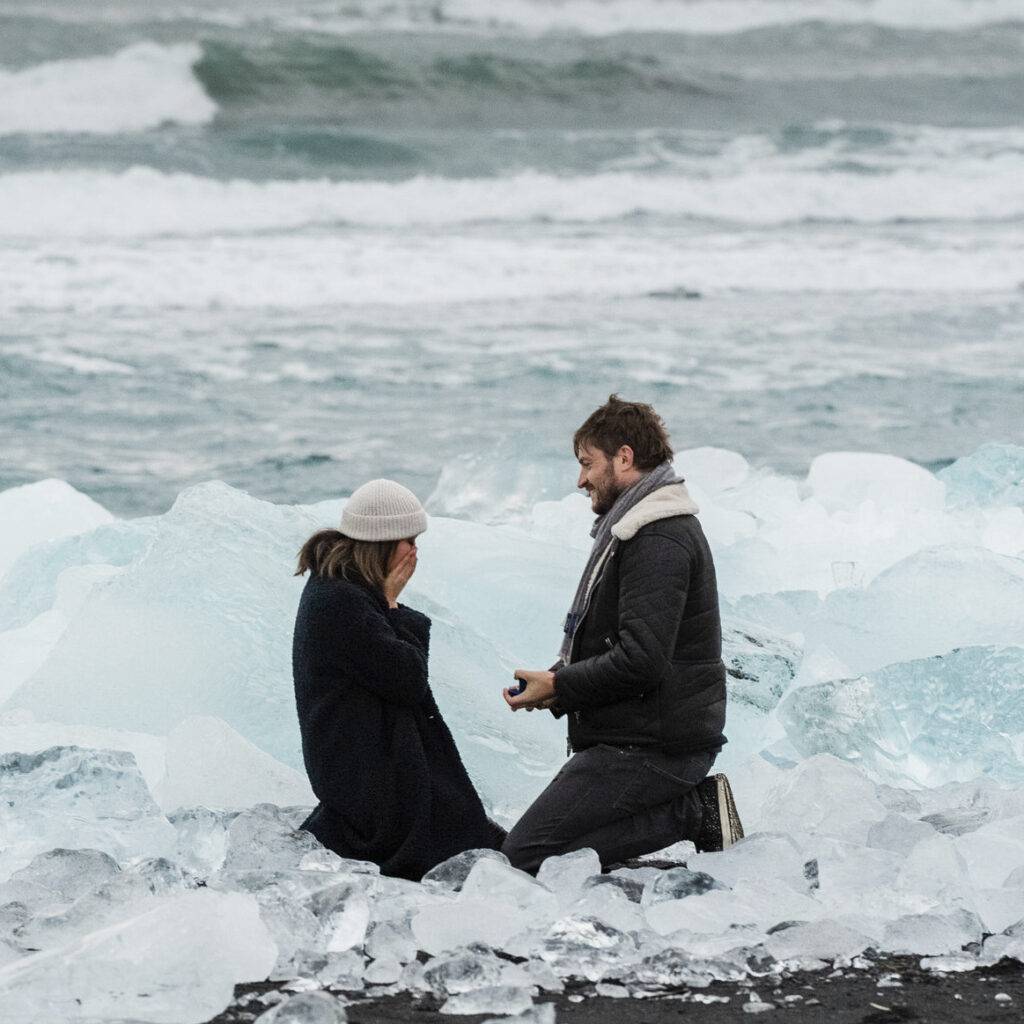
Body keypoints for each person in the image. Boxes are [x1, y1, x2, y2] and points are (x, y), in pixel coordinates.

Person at [500, 396, 744, 873]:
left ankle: (694, 811)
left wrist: (563, 686)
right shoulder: (636, 530)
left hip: (654, 747)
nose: (580, 480)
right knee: (547, 852)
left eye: (588, 463)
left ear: (625, 457)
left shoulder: (658, 538)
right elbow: (621, 645)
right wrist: (556, 683)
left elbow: (642, 660)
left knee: (525, 859)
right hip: (638, 734)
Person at [292, 478, 503, 881]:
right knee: (464, 844)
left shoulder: (339, 586)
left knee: (478, 833)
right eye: (408, 540)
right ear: (381, 542)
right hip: (362, 779)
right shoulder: (340, 601)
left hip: (356, 759)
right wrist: (392, 605)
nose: (414, 551)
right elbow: (406, 679)